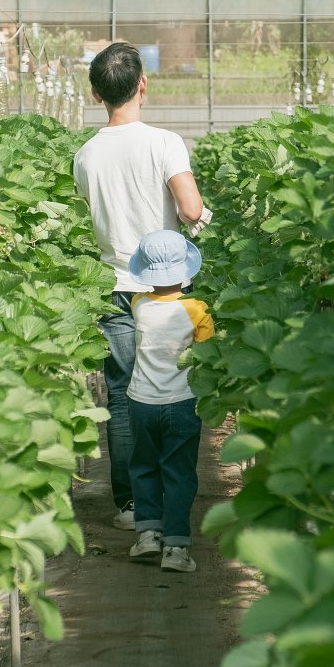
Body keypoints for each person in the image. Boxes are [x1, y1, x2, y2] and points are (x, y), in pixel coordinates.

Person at [73, 42, 210, 531]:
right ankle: (169, 508)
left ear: (95, 93)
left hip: (114, 284)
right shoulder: (164, 142)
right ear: (142, 84)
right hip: (166, 288)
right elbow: (191, 209)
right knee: (171, 392)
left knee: (125, 396)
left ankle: (132, 506)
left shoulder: (85, 155)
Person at [123, 229, 213, 573]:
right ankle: (176, 548)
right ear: (185, 270)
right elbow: (208, 351)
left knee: (143, 465)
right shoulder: (196, 310)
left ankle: (147, 534)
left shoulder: (137, 304)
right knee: (178, 472)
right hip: (182, 401)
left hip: (141, 401)